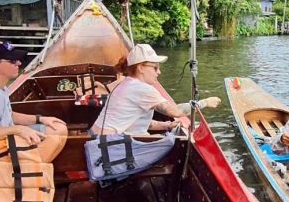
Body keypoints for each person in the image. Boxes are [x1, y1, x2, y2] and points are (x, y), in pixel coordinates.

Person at [90, 43, 220, 136]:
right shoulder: (143, 89)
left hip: (96, 138)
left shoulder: (125, 84)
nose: (159, 72)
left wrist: (166, 125)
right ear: (141, 67)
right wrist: (205, 102)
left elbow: (138, 122)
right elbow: (176, 111)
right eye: (155, 68)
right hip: (110, 146)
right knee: (167, 142)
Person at [0, 39, 67, 145]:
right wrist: (19, 130)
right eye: (12, 61)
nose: (18, 63)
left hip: (1, 136)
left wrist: (41, 119)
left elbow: (7, 115)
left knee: (57, 127)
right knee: (59, 131)